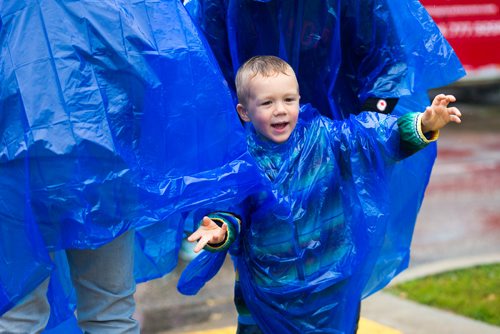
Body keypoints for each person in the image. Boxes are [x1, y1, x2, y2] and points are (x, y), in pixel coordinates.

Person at [0, 1, 262, 332]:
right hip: (101, 164)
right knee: (109, 310)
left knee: (20, 314)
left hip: (14, 164)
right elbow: (149, 68)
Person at [179, 55, 462, 333]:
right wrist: (220, 229)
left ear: (300, 100)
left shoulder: (324, 139)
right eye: (267, 103)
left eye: (289, 100)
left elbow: (374, 140)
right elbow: (232, 209)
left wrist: (424, 125)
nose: (280, 110)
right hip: (267, 300)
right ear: (244, 112)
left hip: (330, 292)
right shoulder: (244, 162)